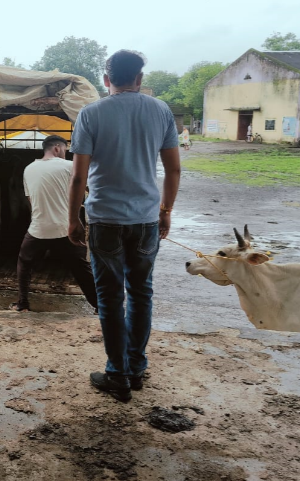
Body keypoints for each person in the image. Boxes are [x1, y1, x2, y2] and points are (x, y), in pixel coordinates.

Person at [68, 51, 181, 403]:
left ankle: (117, 373)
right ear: (140, 78)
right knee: (141, 293)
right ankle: (136, 368)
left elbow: (78, 177)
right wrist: (166, 211)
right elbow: (174, 169)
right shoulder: (160, 110)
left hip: (105, 220)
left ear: (106, 79)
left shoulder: (90, 114)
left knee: (110, 298)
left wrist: (73, 219)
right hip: (146, 220)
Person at [9, 135, 97, 313]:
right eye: (65, 149)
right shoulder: (70, 166)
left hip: (39, 229)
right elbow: (91, 189)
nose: (66, 153)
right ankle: (100, 306)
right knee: (81, 269)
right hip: (66, 228)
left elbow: (31, 202)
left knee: (24, 263)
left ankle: (23, 304)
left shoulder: (28, 169)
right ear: (57, 148)